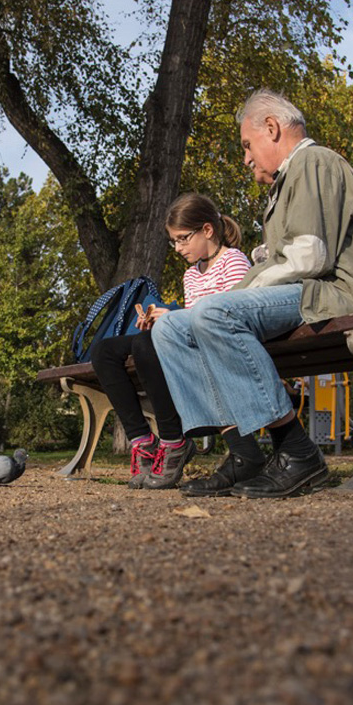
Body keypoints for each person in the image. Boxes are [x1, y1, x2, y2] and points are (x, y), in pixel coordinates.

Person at [153, 88, 353, 499]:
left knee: (212, 314)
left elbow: (309, 255)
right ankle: (244, 452)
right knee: (169, 331)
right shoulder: (290, 180)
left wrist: (238, 290)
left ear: (271, 128)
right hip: (314, 293)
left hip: (351, 295)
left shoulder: (313, 161)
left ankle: (296, 450)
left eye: (247, 144)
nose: (246, 158)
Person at [90, 193, 252, 489]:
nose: (177, 248)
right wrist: (164, 318)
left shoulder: (234, 261)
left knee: (144, 344)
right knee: (104, 352)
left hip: (217, 346)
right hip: (190, 337)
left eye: (182, 239)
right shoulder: (191, 275)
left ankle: (173, 441)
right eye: (173, 242)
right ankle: (143, 440)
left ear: (207, 230)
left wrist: (174, 319)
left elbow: (231, 315)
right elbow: (193, 316)